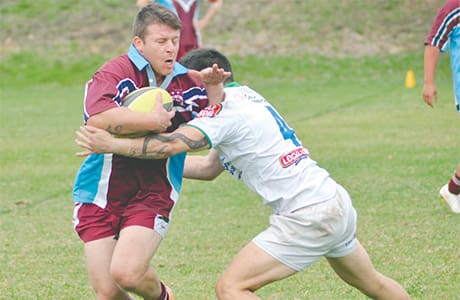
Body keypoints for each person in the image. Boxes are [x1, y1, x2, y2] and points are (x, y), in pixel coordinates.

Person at [75, 48, 411, 299]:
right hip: (332, 200)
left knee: (232, 287)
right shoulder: (249, 97)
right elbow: (208, 168)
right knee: (375, 285)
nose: (184, 99)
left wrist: (111, 143)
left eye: (188, 87)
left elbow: (171, 147)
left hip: (308, 215)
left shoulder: (221, 113)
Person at [72, 5, 227, 300]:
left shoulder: (188, 83)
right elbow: (97, 118)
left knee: (127, 273)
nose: (170, 49)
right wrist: (150, 122)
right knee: (107, 291)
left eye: (174, 41)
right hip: (99, 190)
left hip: (153, 191)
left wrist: (215, 89)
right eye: (160, 42)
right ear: (138, 43)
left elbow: (215, 124)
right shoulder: (115, 73)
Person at [422, 0, 460, 214]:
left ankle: (453, 189)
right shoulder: (453, 9)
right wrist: (429, 82)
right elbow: (434, 43)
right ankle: (453, 189)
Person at [136, 0, 223, 60]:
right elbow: (141, 3)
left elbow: (217, 2)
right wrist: (157, 21)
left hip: (193, 38)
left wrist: (203, 21)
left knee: (194, 71)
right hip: (169, 39)